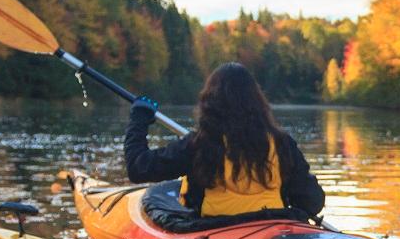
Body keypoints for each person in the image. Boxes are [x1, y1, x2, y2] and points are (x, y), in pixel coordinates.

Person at [124, 62, 325, 222]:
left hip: (211, 231)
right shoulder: (282, 145)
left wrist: (139, 120)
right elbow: (312, 202)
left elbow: (137, 168)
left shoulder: (199, 144)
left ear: (209, 102)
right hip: (270, 230)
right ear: (257, 101)